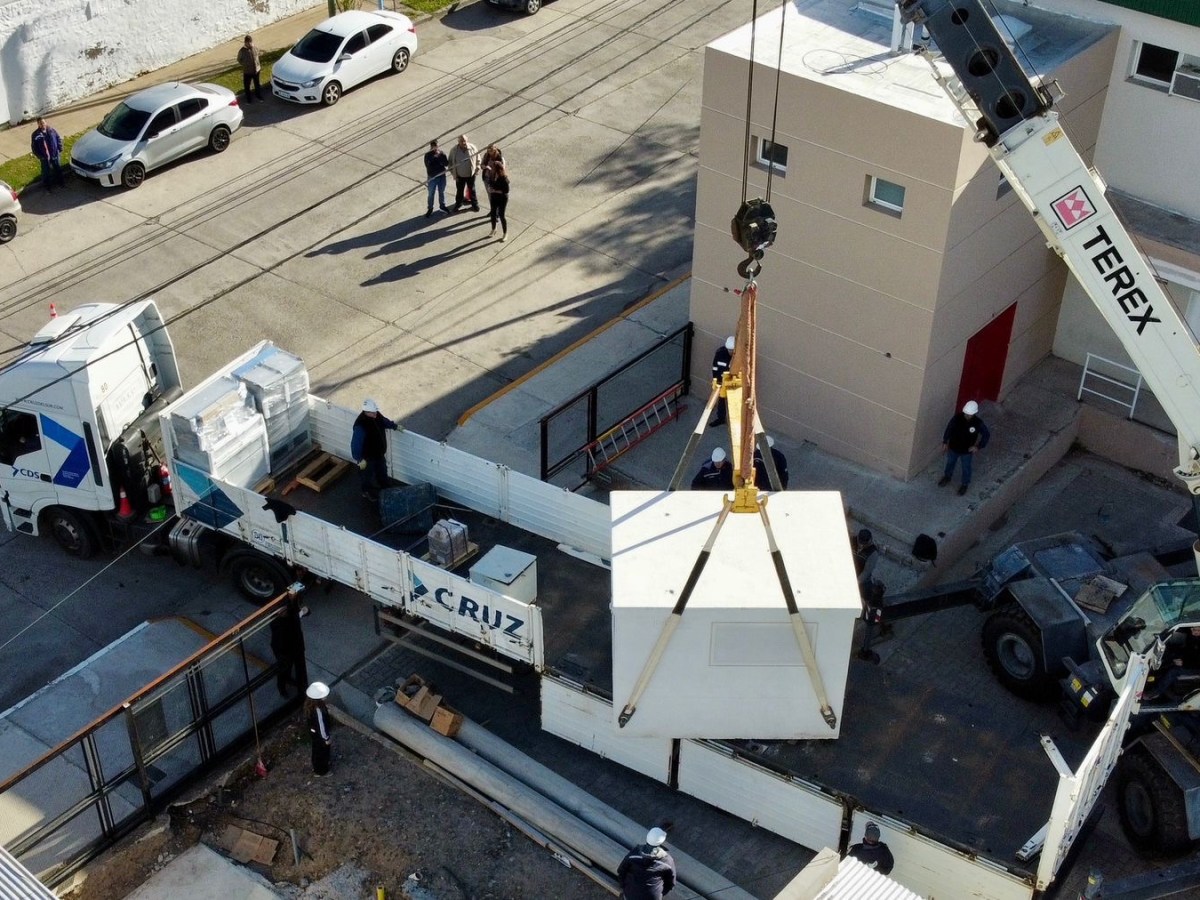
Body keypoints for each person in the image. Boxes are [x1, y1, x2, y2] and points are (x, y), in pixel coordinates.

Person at [351, 398, 399, 501]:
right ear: (366, 412)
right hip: (367, 457)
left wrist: (394, 426)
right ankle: (366, 491)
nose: (375, 414)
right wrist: (359, 459)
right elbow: (356, 444)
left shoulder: (376, 416)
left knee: (382, 471)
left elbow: (383, 421)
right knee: (366, 475)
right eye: (373, 413)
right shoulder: (361, 425)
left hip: (378, 454)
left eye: (376, 411)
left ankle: (385, 487)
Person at [939, 400, 989, 496]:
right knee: (950, 463)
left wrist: (978, 446)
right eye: (966, 413)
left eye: (969, 414)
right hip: (953, 448)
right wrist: (945, 441)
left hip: (966, 451)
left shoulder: (978, 423)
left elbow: (986, 435)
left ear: (974, 413)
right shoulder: (957, 418)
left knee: (966, 468)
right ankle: (947, 477)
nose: (967, 416)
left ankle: (964, 484)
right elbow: (949, 429)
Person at [617, 827, 676, 900]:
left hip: (630, 895)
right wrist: (659, 893)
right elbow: (671, 883)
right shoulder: (667, 861)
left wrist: (624, 887)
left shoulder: (634, 854)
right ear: (661, 842)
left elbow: (621, 871)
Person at [269, 604, 308, 697]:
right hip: (283, 650)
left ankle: (289, 679)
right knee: (284, 669)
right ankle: (281, 687)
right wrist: (300, 614)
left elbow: (304, 612)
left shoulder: (290, 614)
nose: (284, 611)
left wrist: (304, 611)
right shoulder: (277, 622)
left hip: (295, 647)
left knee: (294, 667)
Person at [31, 118, 65, 193]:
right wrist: (40, 156)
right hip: (45, 158)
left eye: (43, 122)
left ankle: (61, 183)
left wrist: (60, 149)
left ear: (45, 122)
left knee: (58, 169)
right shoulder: (36, 134)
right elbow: (34, 147)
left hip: (54, 154)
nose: (42, 124)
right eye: (40, 123)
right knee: (46, 173)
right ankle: (48, 187)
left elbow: (58, 138)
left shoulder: (51, 130)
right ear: (38, 125)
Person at [305, 682, 332, 776]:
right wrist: (326, 739)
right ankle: (322, 771)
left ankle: (317, 767)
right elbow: (322, 727)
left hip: (314, 734)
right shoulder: (318, 711)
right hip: (320, 736)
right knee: (322, 753)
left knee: (316, 751)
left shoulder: (310, 707)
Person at [448, 134, 480, 213]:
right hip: (459, 176)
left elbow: (478, 159)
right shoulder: (454, 150)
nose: (463, 142)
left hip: (470, 175)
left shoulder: (472, 148)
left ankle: (474, 204)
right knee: (459, 191)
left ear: (467, 140)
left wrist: (477, 169)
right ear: (458, 141)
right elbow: (450, 163)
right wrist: (454, 173)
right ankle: (458, 204)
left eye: (464, 141)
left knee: (472, 190)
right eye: (461, 141)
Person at [708, 336, 734, 428]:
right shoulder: (720, 353)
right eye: (729, 350)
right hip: (720, 381)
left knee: (733, 403)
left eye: (732, 350)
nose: (730, 352)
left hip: (732, 383)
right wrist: (715, 379)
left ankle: (733, 422)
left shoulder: (738, 357)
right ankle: (721, 418)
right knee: (721, 400)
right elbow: (715, 367)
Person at [423, 139, 450, 218]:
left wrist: (439, 158)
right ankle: (430, 208)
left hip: (441, 176)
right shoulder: (428, 155)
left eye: (436, 146)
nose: (435, 147)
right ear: (431, 146)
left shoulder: (442, 154)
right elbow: (428, 166)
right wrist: (437, 162)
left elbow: (446, 163)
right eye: (433, 146)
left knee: (442, 192)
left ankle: (442, 206)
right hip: (432, 177)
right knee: (431, 193)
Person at [480, 144, 505, 229]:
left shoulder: (499, 157)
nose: (489, 152)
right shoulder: (486, 155)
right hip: (487, 179)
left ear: (495, 150)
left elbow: (502, 169)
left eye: (491, 151)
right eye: (488, 151)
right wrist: (485, 166)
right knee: (490, 196)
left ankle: (496, 214)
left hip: (495, 180)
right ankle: (492, 211)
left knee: (496, 197)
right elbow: (481, 165)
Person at [238, 35, 263, 103]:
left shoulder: (255, 47)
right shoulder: (242, 51)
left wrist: (257, 64)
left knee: (257, 84)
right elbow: (239, 59)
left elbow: (258, 54)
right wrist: (245, 65)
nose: (249, 44)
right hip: (247, 72)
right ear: (245, 43)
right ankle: (248, 99)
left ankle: (258, 96)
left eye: (250, 42)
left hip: (256, 70)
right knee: (247, 86)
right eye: (248, 42)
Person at [489, 161, 510, 242]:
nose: (491, 169)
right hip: (494, 197)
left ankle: (505, 233)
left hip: (502, 198)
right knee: (493, 213)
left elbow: (506, 191)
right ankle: (493, 229)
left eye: (493, 168)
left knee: (501, 215)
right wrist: (491, 189)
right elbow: (490, 183)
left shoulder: (504, 178)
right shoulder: (493, 175)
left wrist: (495, 190)